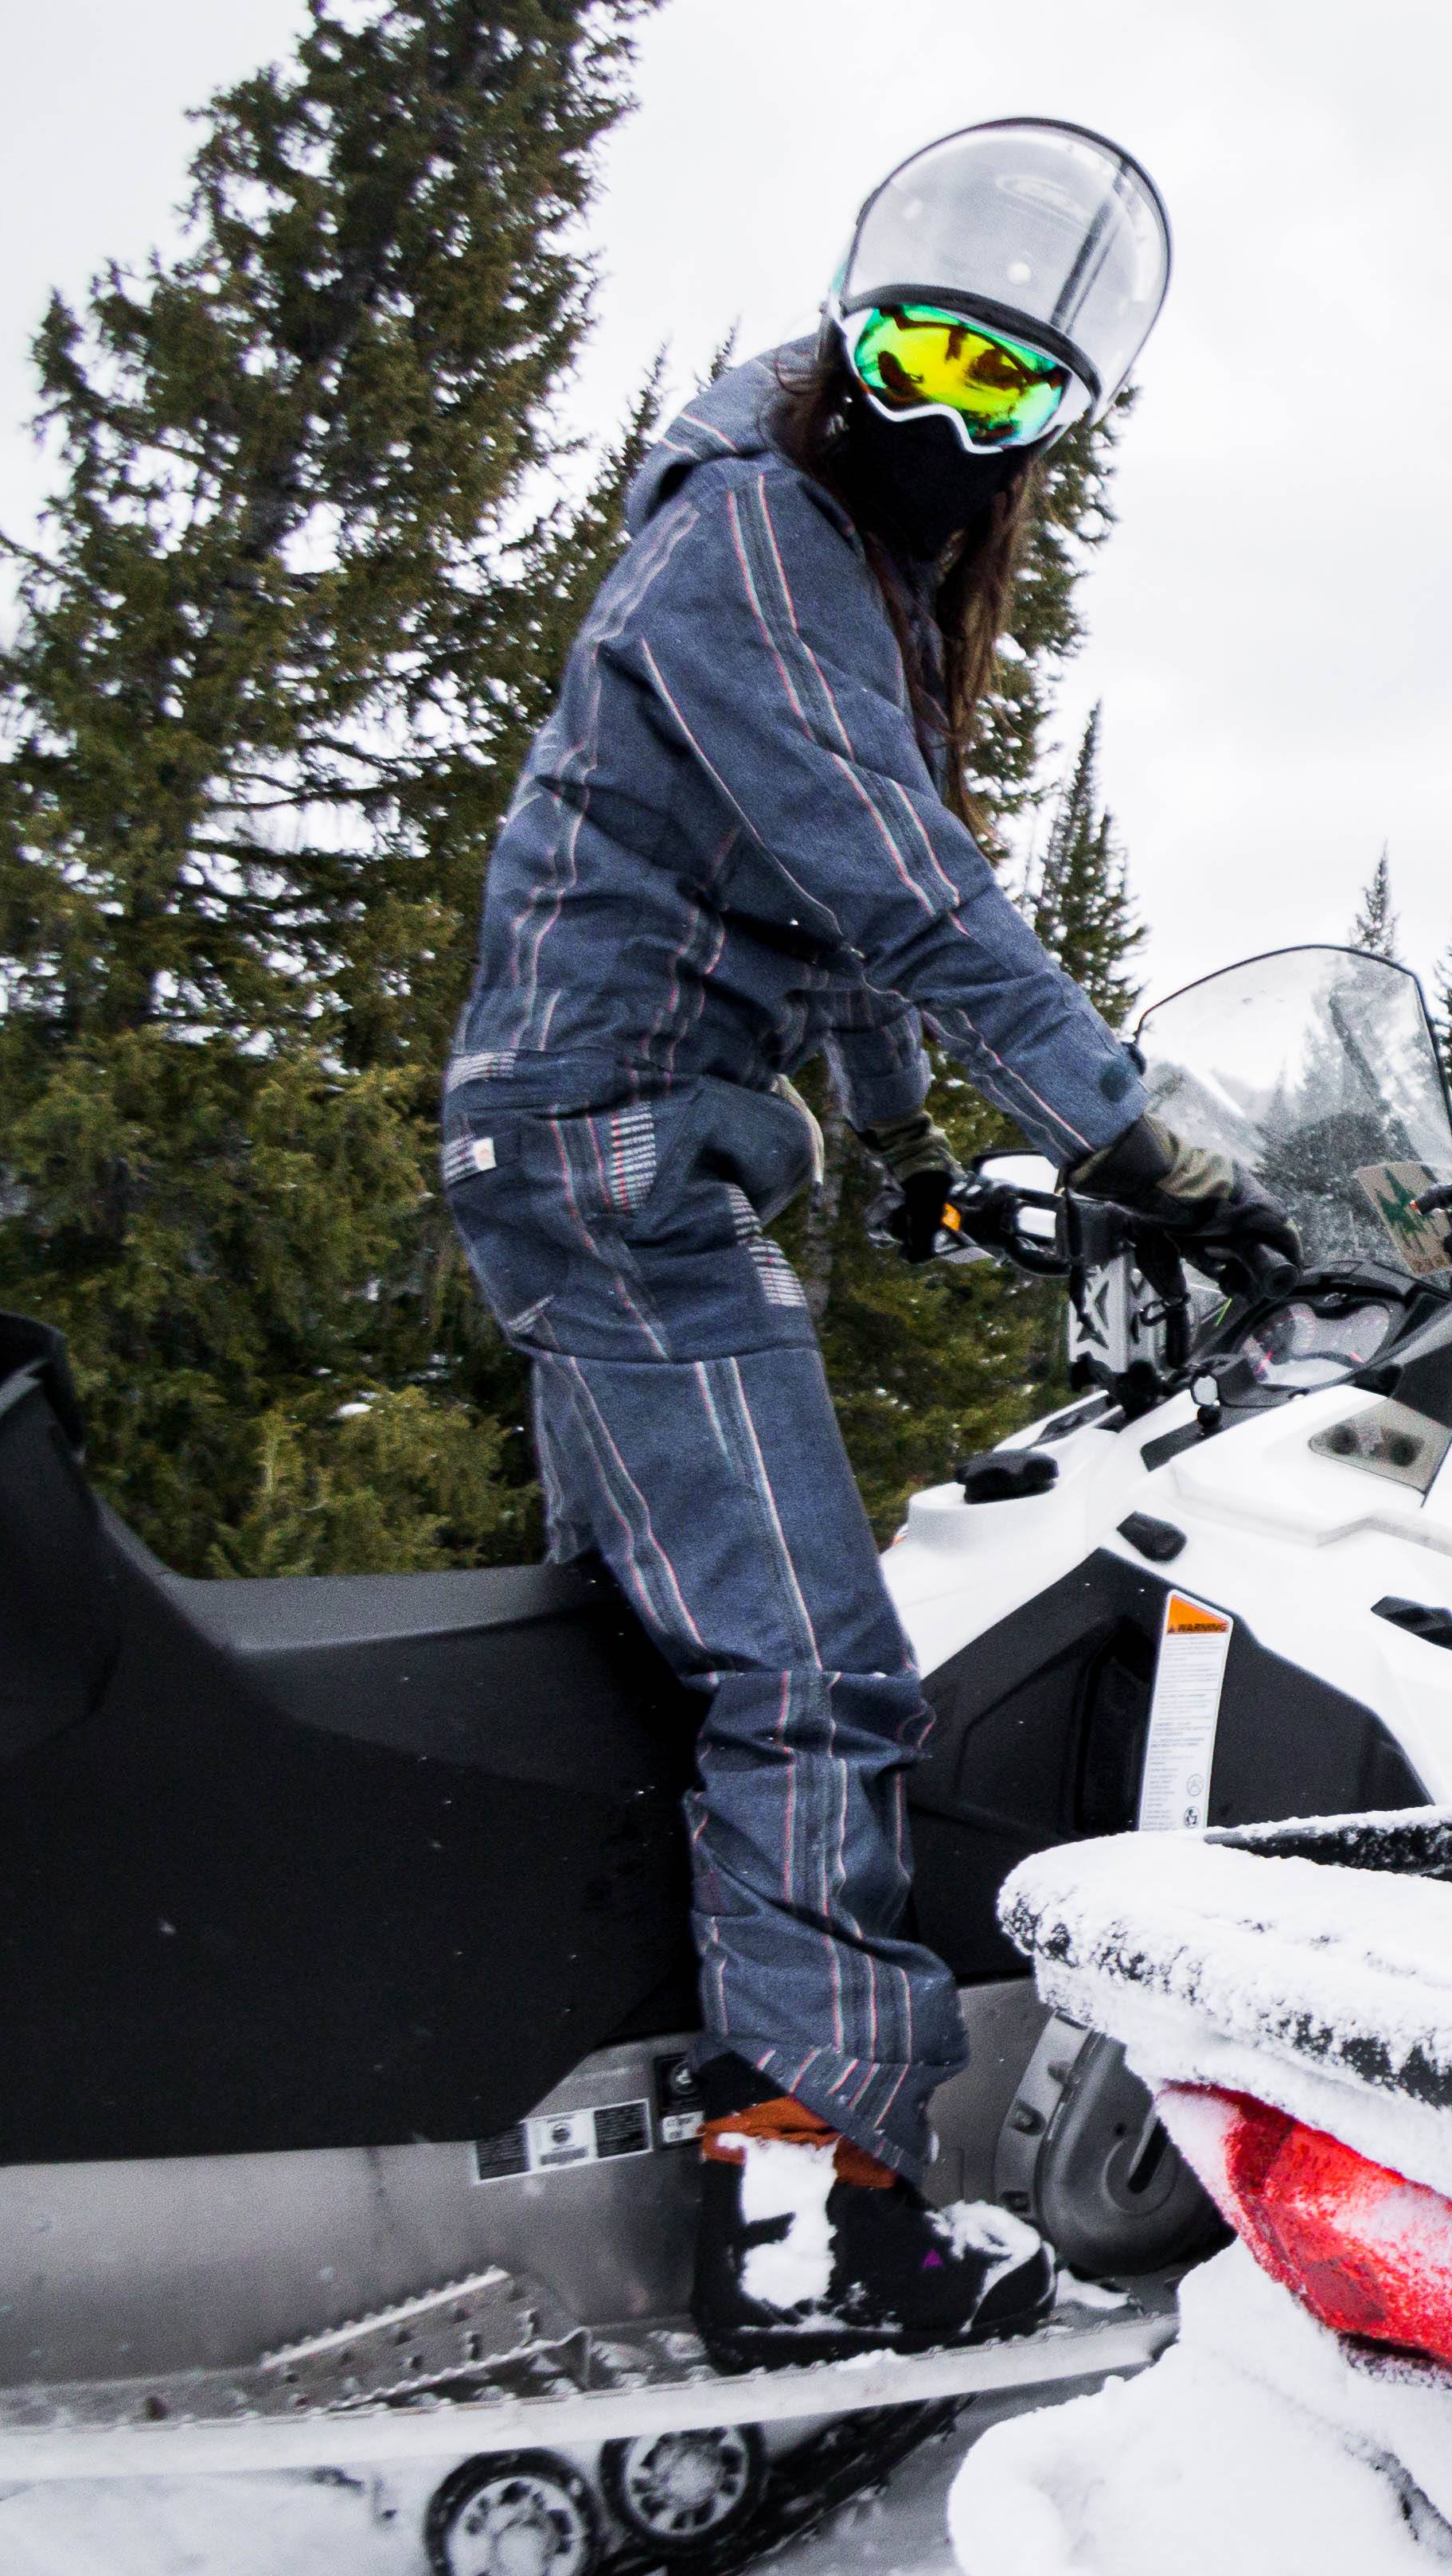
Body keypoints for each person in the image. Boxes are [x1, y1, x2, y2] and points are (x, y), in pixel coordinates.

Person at [439, 119, 1279, 2363]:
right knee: (817, 1672)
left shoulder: (838, 573)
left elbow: (821, 900)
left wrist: (913, 1151)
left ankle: (651, 2115)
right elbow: (904, 879)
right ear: (844, 334)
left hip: (624, 1144)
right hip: (620, 1158)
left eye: (1009, 386)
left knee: (675, 1661)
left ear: (1055, 430)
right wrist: (1130, 1135)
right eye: (916, 354)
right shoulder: (756, 531)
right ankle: (810, 2212)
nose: (944, 414)